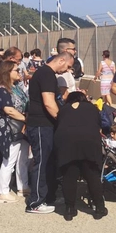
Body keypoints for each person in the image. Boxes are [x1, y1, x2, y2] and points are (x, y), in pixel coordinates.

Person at [25, 52, 74, 214]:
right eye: (67, 66)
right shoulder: (46, 74)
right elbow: (49, 103)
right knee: (42, 162)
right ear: (61, 60)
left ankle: (47, 195)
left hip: (47, 125)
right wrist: (63, 121)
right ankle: (35, 202)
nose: (67, 70)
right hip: (40, 125)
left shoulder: (48, 74)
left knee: (49, 162)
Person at [55, 91, 107, 221]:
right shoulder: (91, 108)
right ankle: (99, 208)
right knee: (92, 175)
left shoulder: (63, 109)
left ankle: (69, 209)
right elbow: (99, 125)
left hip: (67, 142)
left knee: (69, 176)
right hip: (89, 142)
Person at [0, 60, 30, 204]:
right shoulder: (2, 89)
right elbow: (8, 109)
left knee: (23, 159)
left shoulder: (16, 87)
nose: (19, 72)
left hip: (22, 127)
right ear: (7, 72)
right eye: (16, 70)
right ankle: (3, 191)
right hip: (10, 127)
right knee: (9, 160)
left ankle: (23, 186)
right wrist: (26, 119)